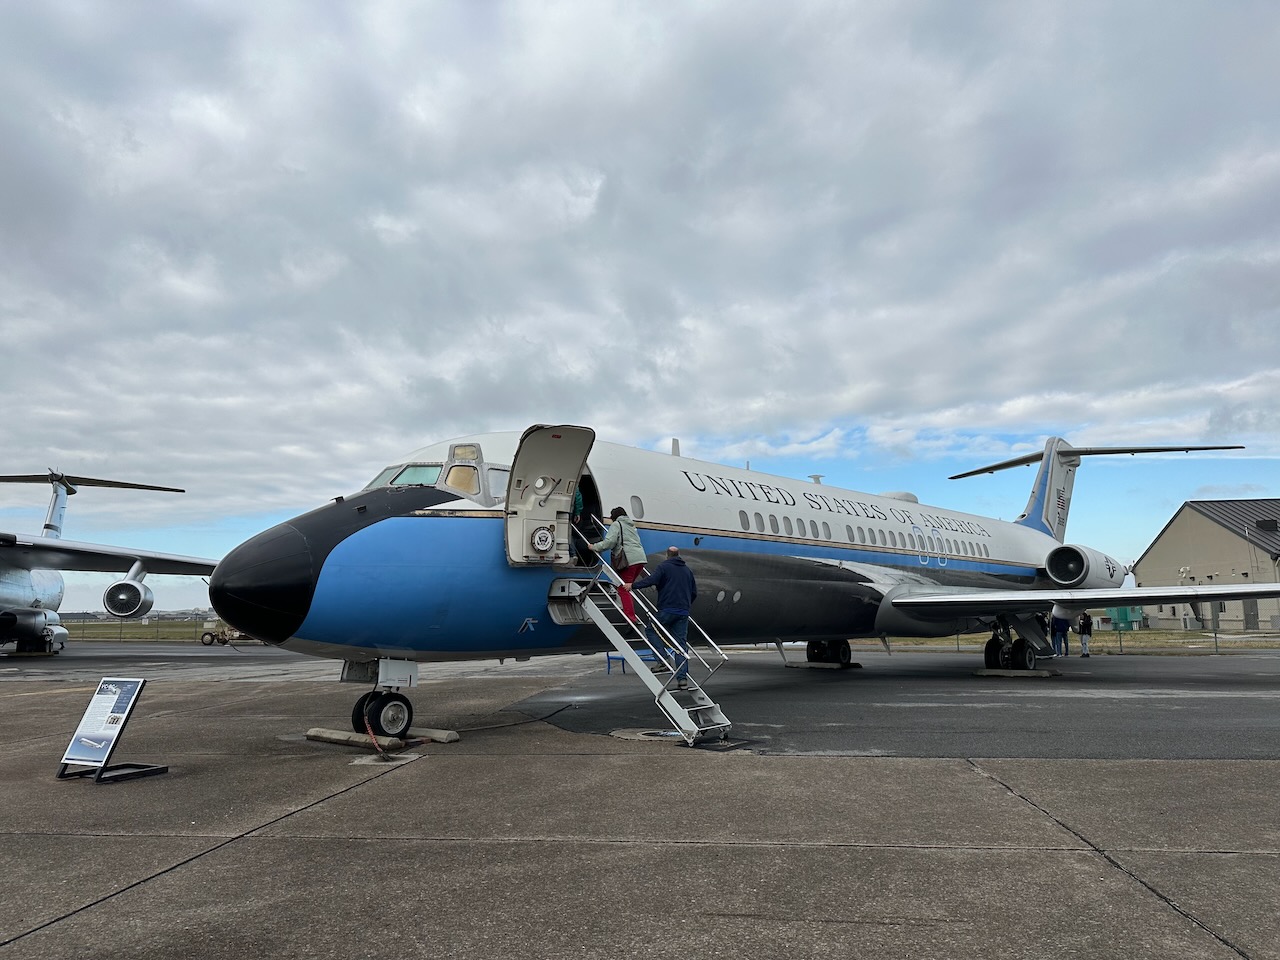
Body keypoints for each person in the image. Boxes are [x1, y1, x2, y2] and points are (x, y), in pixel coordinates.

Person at [621, 546, 697, 688]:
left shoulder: (664, 567)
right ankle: (682, 679)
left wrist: (632, 586)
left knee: (651, 630)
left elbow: (651, 580)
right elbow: (694, 593)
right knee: (680, 645)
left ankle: (662, 660)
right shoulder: (687, 571)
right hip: (683, 612)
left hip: (667, 609)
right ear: (678, 555)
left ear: (667, 555)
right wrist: (685, 605)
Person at [587, 507, 647, 622]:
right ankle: (631, 615)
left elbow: (610, 542)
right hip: (640, 559)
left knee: (623, 589)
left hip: (628, 561)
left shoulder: (617, 524)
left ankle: (630, 618)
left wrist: (594, 547)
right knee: (628, 587)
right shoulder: (631, 525)